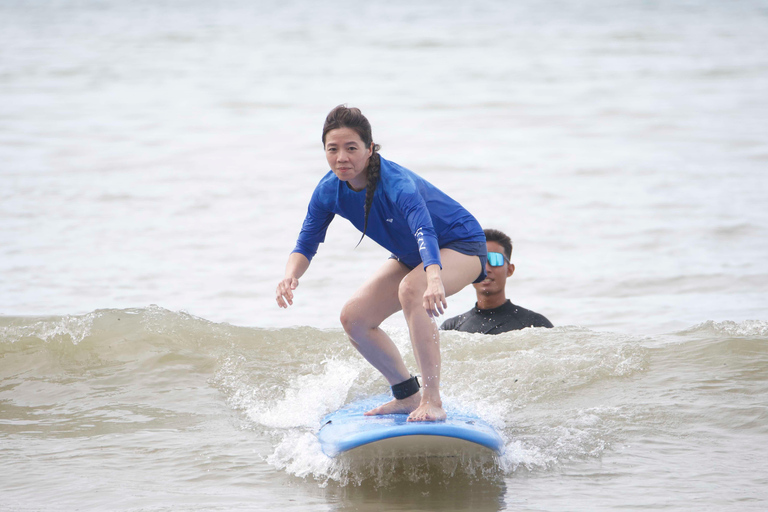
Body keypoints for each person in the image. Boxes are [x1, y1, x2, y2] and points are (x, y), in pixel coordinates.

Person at [275, 105, 487, 422]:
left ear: (369, 148)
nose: (341, 158)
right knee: (354, 318)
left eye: (351, 148)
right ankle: (406, 394)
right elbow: (306, 242)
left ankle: (432, 400)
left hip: (461, 246)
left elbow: (424, 230)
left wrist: (433, 277)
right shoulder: (328, 191)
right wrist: (290, 276)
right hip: (411, 255)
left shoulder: (397, 184)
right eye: (332, 149)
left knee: (411, 291)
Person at [440, 228, 553, 334]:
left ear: (510, 270)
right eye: (480, 260)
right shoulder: (451, 328)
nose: (486, 269)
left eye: (495, 259)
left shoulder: (535, 325)